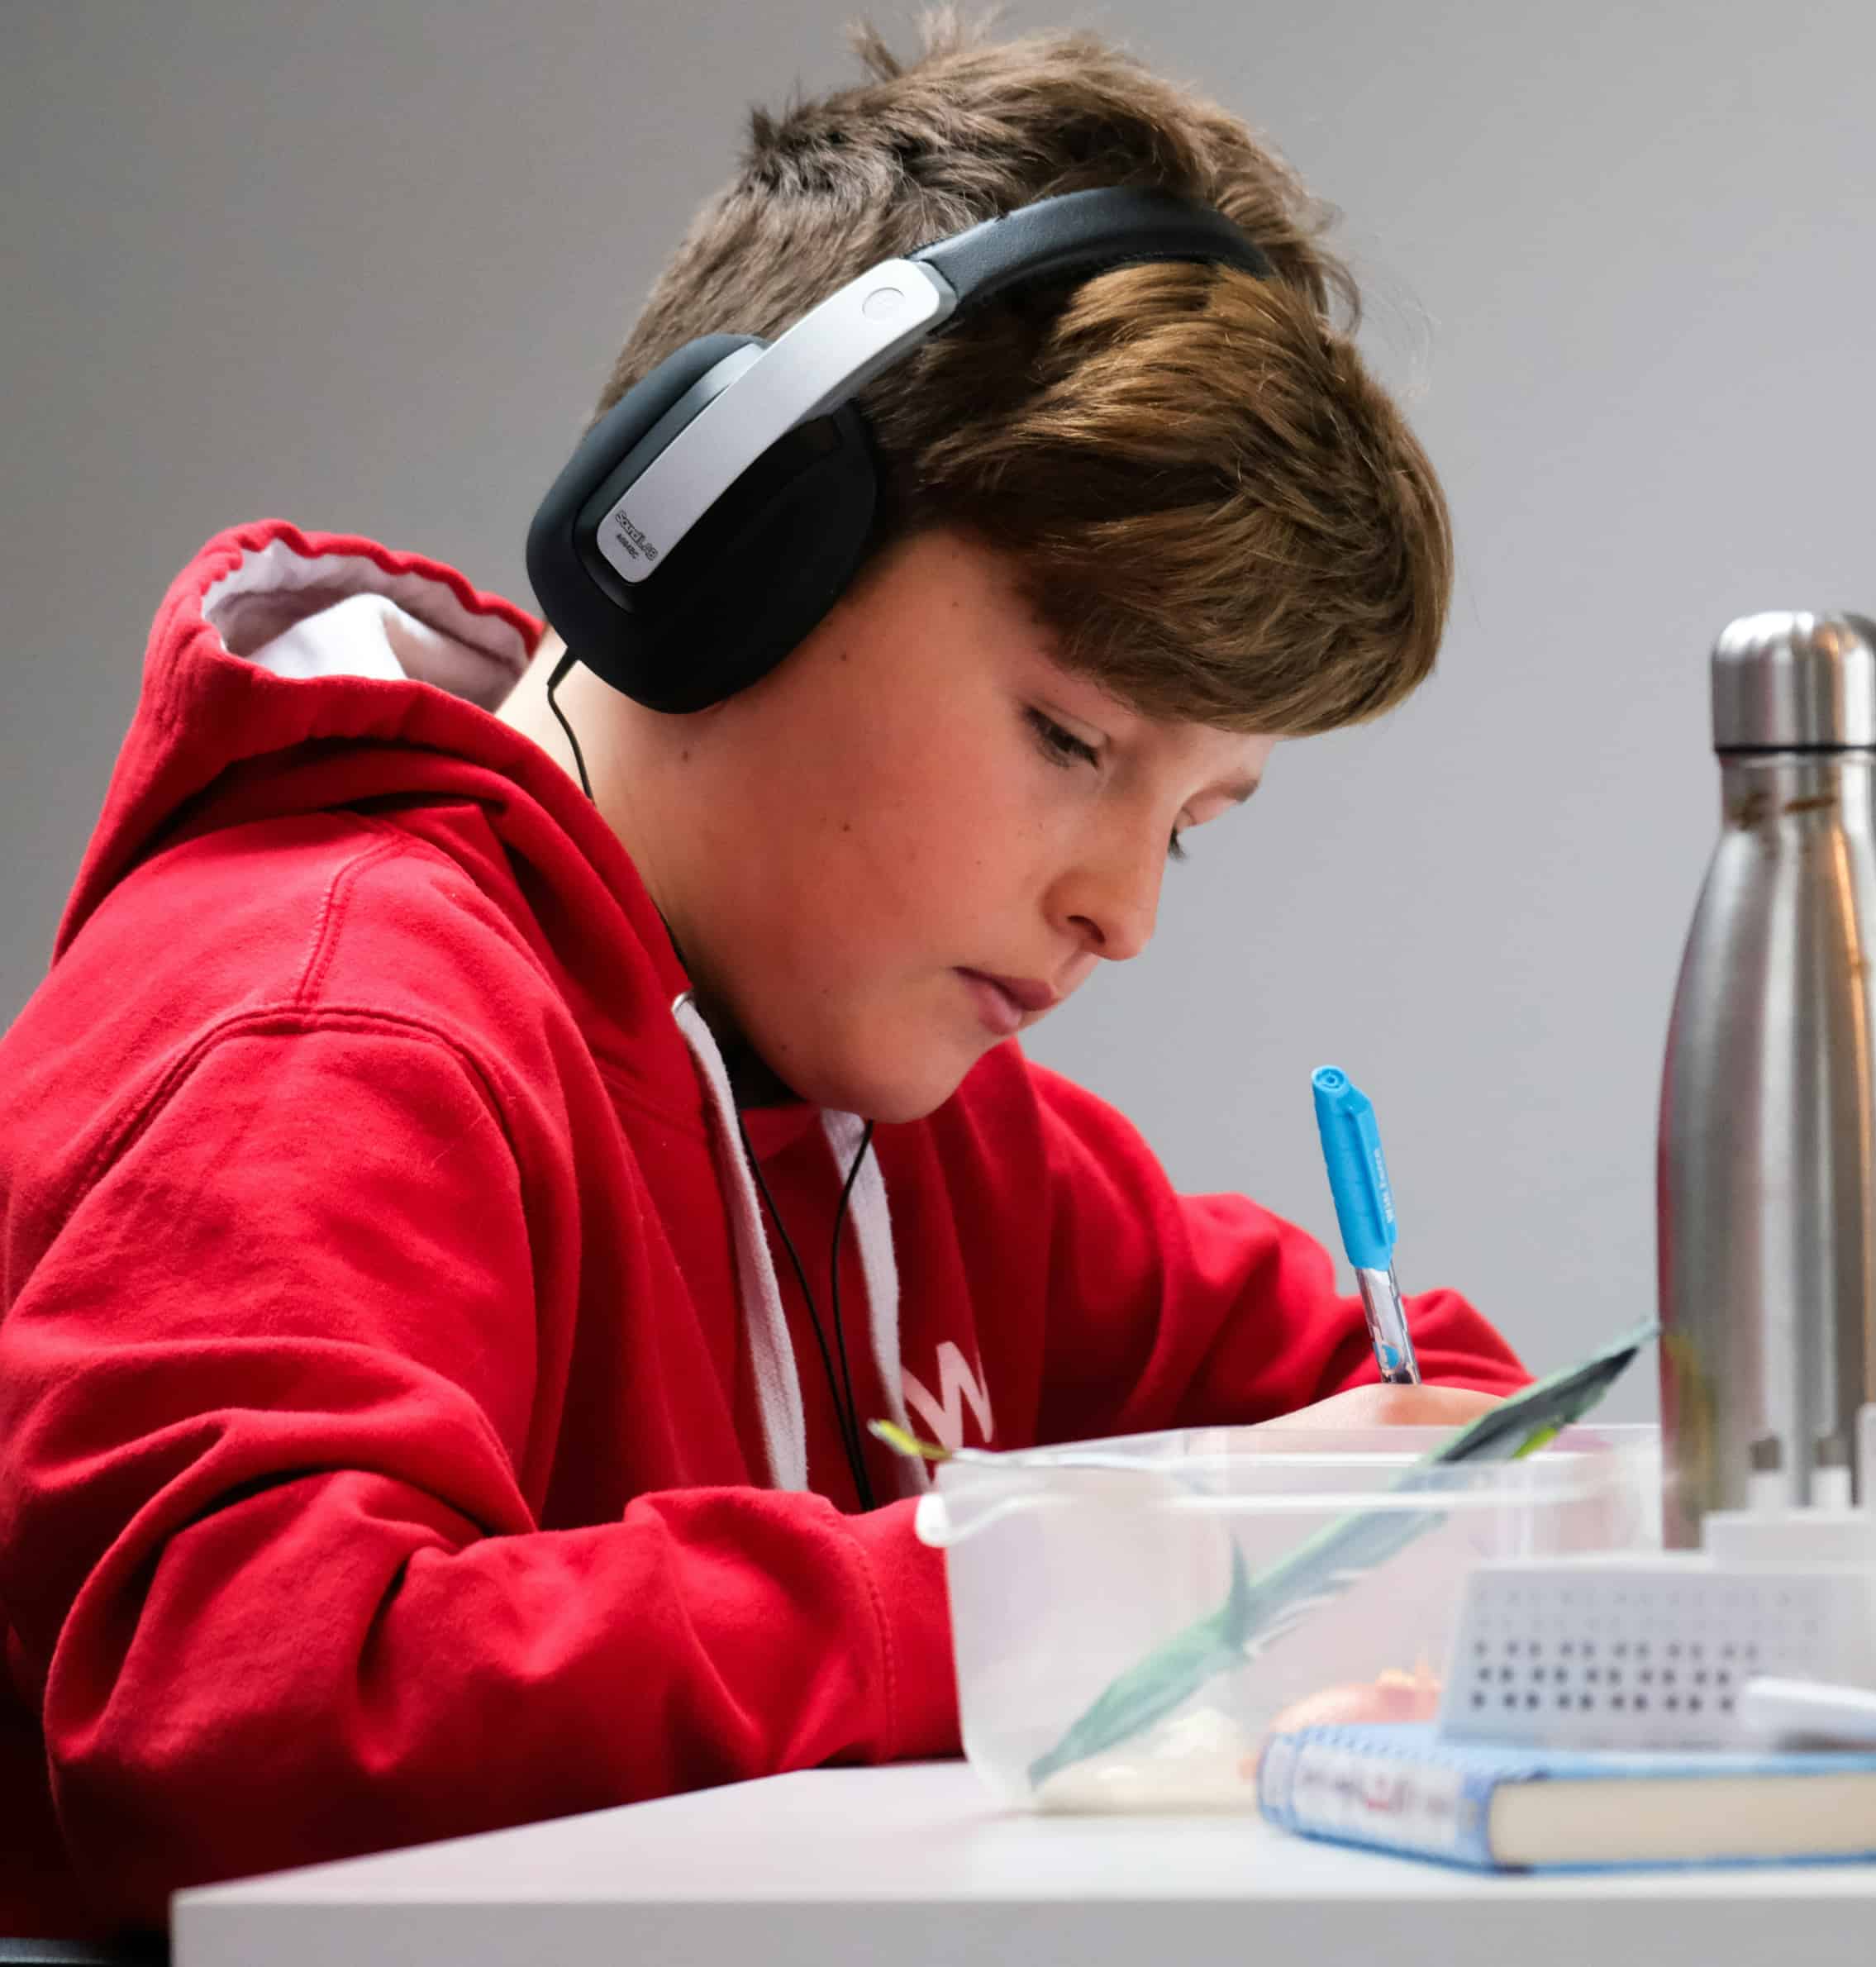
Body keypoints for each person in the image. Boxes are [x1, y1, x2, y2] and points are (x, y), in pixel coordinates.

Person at [0, 15, 1527, 1941]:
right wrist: (1049, 1583)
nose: (1125, 909)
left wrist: (1443, 1491)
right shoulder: (334, 1021)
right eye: (1071, 739)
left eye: (1194, 819)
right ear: (731, 554)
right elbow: (243, 1708)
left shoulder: (921, 1124)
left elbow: (1429, 1413)